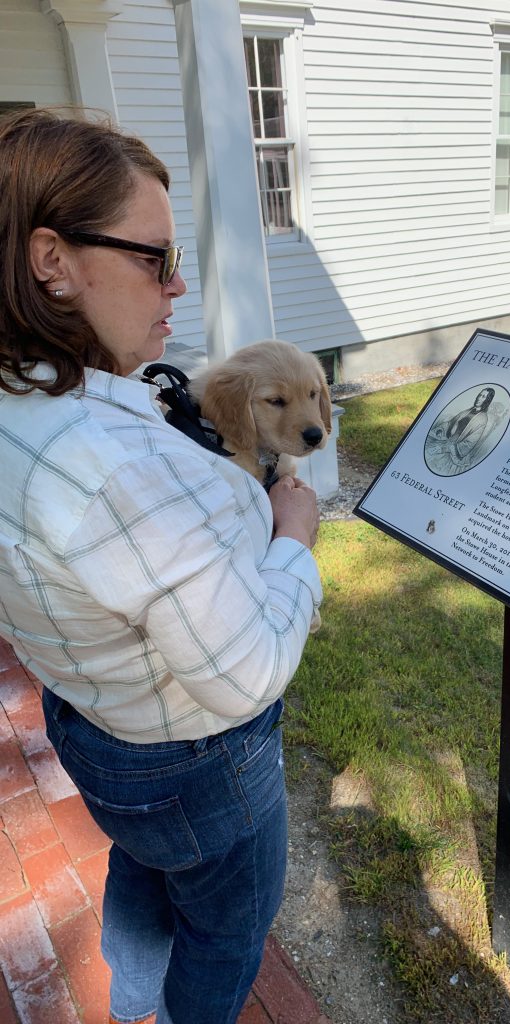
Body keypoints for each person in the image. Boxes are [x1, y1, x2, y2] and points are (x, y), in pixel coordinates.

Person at [0, 108, 322, 1024]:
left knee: (141, 862)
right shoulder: (114, 468)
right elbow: (241, 672)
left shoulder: (26, 399)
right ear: (51, 260)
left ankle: (130, 994)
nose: (178, 284)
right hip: (195, 756)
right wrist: (292, 536)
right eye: (154, 258)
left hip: (91, 718)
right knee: (226, 927)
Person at [425, 387, 496, 475]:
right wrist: (440, 430)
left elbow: (469, 443)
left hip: (454, 452)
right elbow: (450, 423)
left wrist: (443, 449)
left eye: (483, 396)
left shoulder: (482, 419)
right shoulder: (469, 410)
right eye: (479, 395)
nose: (479, 398)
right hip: (446, 441)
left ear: (487, 400)